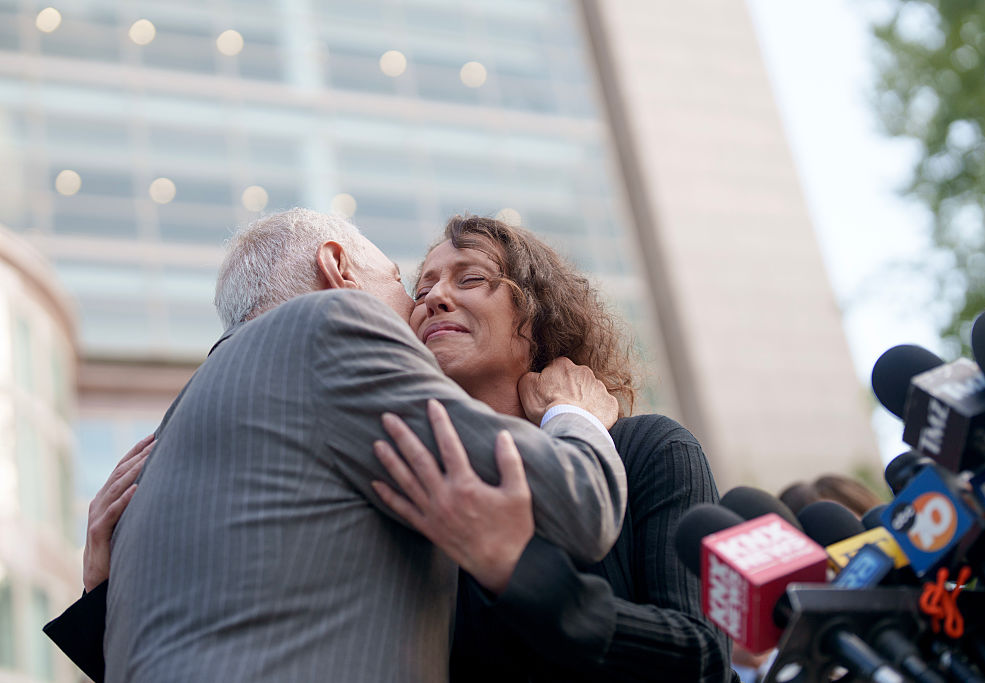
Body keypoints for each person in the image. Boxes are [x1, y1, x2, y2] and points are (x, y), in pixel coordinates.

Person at [48, 213, 735, 681]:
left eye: (469, 279)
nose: (428, 300)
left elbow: (704, 656)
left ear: (539, 316)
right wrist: (108, 591)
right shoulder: (394, 487)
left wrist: (516, 570)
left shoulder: (646, 451)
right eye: (421, 285)